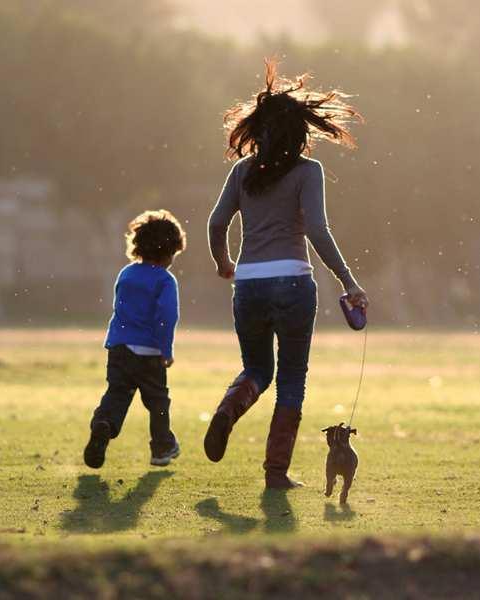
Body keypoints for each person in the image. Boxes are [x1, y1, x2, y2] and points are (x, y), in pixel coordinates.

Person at [204, 59, 369, 489]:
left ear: (258, 130)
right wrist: (348, 281)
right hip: (294, 283)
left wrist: (224, 264)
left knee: (257, 368)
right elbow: (316, 229)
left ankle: (226, 412)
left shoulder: (241, 172)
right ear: (299, 132)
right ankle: (276, 473)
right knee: (292, 378)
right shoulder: (307, 172)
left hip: (250, 283)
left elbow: (216, 223)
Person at [83, 209, 186, 469]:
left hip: (119, 348)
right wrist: (166, 349)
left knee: (117, 393)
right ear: (170, 251)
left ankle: (103, 424)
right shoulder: (165, 280)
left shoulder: (126, 274)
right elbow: (166, 317)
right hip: (149, 352)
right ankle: (162, 447)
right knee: (158, 402)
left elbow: (121, 308)